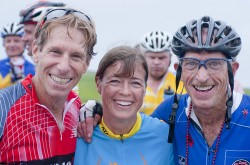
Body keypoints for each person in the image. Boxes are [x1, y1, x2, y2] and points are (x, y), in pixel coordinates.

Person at [0, 7, 97, 164]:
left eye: (76, 56)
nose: (64, 67)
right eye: (55, 52)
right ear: (36, 51)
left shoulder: (78, 109)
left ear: (86, 64)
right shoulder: (4, 107)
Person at [151, 16, 250, 164]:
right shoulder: (169, 111)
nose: (202, 77)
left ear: (232, 70)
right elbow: (124, 133)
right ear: (180, 71)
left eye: (215, 64)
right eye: (191, 63)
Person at [74, 46, 174, 165]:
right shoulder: (76, 134)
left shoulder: (165, 137)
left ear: (145, 88)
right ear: (98, 84)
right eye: (115, 81)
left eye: (135, 83)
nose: (125, 92)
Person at [139, 30, 186, 115]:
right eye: (152, 57)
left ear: (170, 58)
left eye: (162, 58)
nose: (156, 62)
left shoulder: (182, 83)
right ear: (143, 58)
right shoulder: (134, 83)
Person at [0, 22, 35, 89]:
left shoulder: (34, 69)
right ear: (4, 44)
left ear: (24, 43)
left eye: (16, 41)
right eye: (8, 41)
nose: (12, 45)